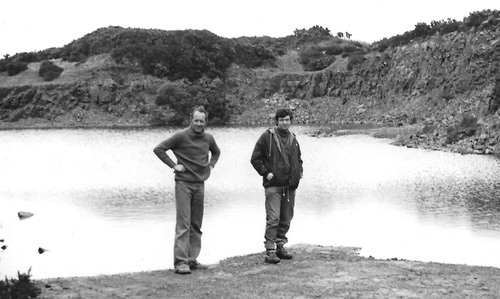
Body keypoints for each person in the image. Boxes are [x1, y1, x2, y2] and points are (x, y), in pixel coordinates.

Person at [153, 106, 221, 274]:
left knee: (196, 225)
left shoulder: (208, 138)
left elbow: (217, 152)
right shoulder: (181, 136)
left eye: (202, 121)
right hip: (183, 184)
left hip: (200, 185)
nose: (199, 124)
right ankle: (180, 262)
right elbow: (159, 149)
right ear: (191, 119)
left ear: (206, 122)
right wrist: (174, 165)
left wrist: (210, 165)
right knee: (183, 224)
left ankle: (192, 260)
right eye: (196, 120)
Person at [250, 108, 303, 264]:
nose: (285, 123)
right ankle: (270, 250)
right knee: (273, 218)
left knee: (286, 218)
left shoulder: (294, 138)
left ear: (290, 121)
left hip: (289, 185)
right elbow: (255, 158)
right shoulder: (267, 137)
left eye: (287, 120)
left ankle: (280, 246)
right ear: (276, 121)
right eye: (282, 120)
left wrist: (299, 173)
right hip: (273, 185)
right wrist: (265, 173)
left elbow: (298, 160)